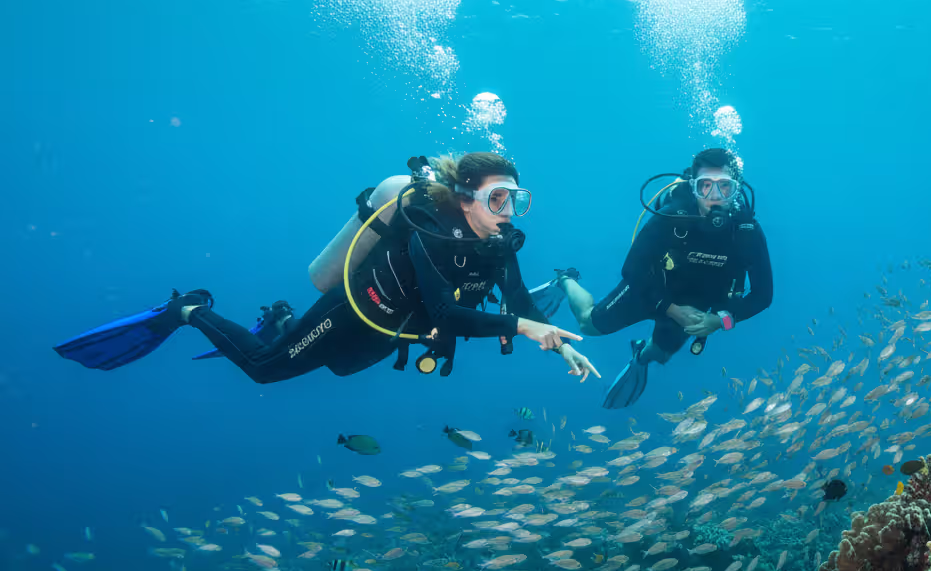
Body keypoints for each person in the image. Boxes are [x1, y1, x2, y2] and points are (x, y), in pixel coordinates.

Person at [55, 153, 599, 384]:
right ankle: (187, 309)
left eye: (516, 201)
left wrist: (560, 341)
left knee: (336, 370)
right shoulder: (428, 232)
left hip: (391, 332)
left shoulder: (498, 244)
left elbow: (520, 301)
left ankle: (278, 321)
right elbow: (446, 313)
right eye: (498, 199)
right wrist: (524, 328)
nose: (508, 214)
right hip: (354, 310)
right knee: (267, 370)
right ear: (462, 198)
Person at [539, 148, 771, 409]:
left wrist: (719, 321)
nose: (714, 197)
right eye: (705, 186)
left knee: (660, 354)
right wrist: (670, 309)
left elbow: (763, 295)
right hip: (650, 290)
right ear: (693, 188)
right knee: (588, 325)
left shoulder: (748, 232)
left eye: (725, 187)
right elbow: (632, 270)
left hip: (697, 307)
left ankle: (640, 355)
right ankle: (566, 280)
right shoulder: (671, 217)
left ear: (737, 189)